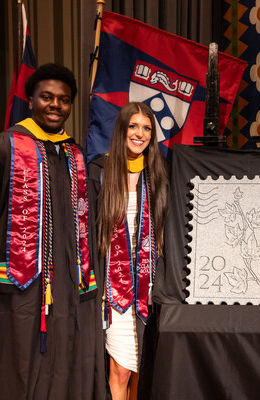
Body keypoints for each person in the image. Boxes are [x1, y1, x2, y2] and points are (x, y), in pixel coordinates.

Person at [0, 63, 105, 399]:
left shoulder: (76, 156)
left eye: (64, 100)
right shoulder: (1, 148)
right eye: (47, 97)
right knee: (19, 365)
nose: (56, 105)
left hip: (70, 286)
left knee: (68, 358)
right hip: (19, 288)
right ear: (30, 100)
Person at [88, 102, 168, 400]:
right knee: (119, 370)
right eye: (133, 126)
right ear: (121, 129)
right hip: (114, 286)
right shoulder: (100, 170)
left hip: (150, 286)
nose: (140, 133)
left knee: (143, 370)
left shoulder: (160, 172)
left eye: (147, 128)